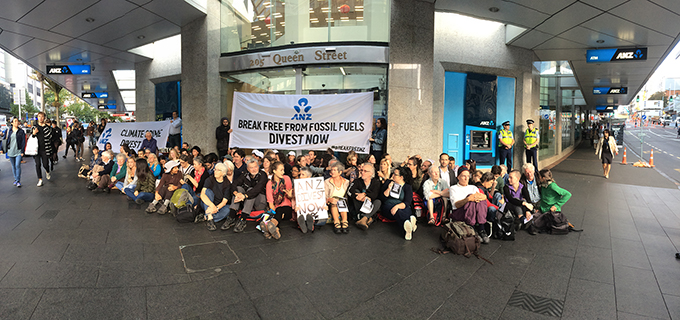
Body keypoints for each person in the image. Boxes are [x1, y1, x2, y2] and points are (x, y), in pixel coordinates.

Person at [223, 159, 268, 233]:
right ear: (247, 169)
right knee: (239, 188)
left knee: (251, 189)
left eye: (255, 167)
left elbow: (258, 189)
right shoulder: (245, 174)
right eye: (251, 168)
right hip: (247, 202)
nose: (254, 169)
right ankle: (231, 216)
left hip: (259, 203)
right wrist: (236, 193)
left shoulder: (263, 175)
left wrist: (244, 196)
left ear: (258, 166)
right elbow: (234, 184)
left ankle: (243, 219)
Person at [448, 167, 489, 243]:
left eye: (468, 176)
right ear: (458, 177)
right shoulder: (453, 188)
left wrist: (482, 197)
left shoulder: (473, 187)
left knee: (481, 200)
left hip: (474, 212)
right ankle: (473, 228)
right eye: (464, 176)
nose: (466, 178)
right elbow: (456, 205)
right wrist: (468, 199)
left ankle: (481, 228)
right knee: (470, 198)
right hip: (460, 212)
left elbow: (483, 197)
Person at [381, 166, 417, 240]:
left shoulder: (407, 187)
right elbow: (382, 198)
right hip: (389, 205)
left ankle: (407, 228)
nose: (392, 175)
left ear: (401, 177)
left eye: (395, 174)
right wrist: (388, 189)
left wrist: (397, 206)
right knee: (398, 212)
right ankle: (409, 224)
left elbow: (407, 202)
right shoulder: (388, 182)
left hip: (402, 206)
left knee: (402, 210)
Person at [262, 161, 294, 239]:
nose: (283, 172)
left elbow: (290, 197)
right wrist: (274, 211)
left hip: (287, 206)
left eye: (283, 170)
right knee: (278, 212)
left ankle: (268, 228)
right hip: (277, 208)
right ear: (274, 171)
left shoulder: (286, 179)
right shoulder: (269, 183)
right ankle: (274, 229)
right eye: (281, 170)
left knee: (280, 211)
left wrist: (290, 195)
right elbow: (270, 202)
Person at [348, 163, 382, 230]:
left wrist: (365, 195)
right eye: (362, 170)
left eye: (365, 171)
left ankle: (364, 218)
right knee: (356, 192)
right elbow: (349, 191)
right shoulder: (357, 181)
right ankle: (367, 218)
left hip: (369, 205)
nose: (362, 173)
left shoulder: (376, 182)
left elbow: (375, 194)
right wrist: (356, 196)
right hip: (359, 206)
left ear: (371, 173)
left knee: (378, 202)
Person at [201, 163, 233, 231]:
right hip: (208, 203)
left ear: (223, 173)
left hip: (219, 206)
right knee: (208, 191)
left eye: (218, 170)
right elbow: (202, 194)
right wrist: (212, 205)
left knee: (228, 209)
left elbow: (224, 201)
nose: (215, 171)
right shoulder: (210, 179)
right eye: (215, 169)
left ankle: (206, 216)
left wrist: (216, 208)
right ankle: (209, 218)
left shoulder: (227, 183)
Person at [503, 170, 534, 234]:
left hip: (519, 206)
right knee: (519, 199)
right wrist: (524, 203)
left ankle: (525, 220)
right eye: (509, 177)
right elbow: (511, 199)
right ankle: (523, 219)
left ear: (517, 179)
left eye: (511, 177)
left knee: (524, 200)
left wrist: (528, 210)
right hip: (509, 206)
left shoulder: (522, 187)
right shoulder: (506, 187)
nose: (509, 179)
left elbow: (528, 199)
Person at [325, 161, 350, 234]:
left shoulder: (346, 182)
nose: (332, 172)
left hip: (343, 202)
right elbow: (324, 195)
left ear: (340, 172)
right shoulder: (327, 182)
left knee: (341, 202)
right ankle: (337, 222)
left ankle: (344, 221)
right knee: (334, 203)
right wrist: (329, 199)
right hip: (331, 203)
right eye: (332, 170)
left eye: (334, 170)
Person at [31, 112, 53, 187]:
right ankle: (40, 179)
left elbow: (49, 136)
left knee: (45, 164)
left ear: (44, 118)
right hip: (36, 149)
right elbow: (32, 137)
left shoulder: (47, 127)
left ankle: (47, 171)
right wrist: (34, 133)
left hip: (45, 148)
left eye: (42, 116)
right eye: (39, 116)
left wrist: (44, 127)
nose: (40, 118)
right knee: (37, 164)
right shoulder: (35, 126)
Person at [6, 117, 26, 187]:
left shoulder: (21, 131)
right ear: (12, 123)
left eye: (17, 121)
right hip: (11, 151)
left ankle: (18, 180)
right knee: (13, 166)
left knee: (17, 165)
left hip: (18, 151)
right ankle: (15, 179)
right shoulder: (9, 131)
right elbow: (5, 140)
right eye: (15, 121)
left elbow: (23, 142)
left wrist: (22, 151)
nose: (17, 122)